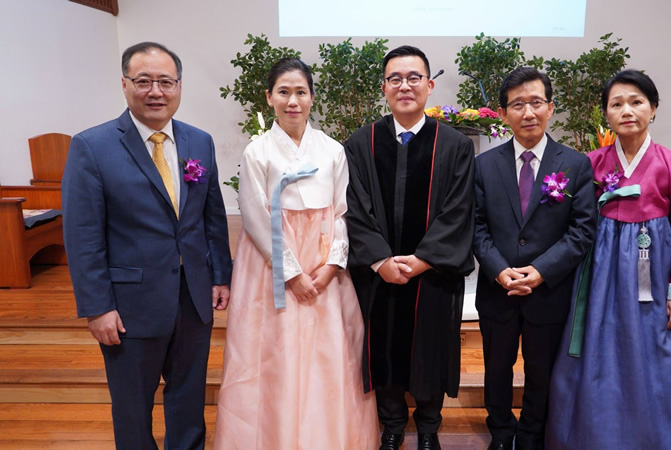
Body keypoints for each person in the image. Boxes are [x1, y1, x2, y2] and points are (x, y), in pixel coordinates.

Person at [546, 69, 671, 449]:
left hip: (655, 271)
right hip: (601, 275)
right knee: (600, 352)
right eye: (616, 104)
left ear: (653, 108)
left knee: (664, 354)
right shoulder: (590, 164)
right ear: (606, 114)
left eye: (636, 102)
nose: (627, 111)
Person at [62, 42, 232, 449]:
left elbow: (212, 217)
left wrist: (220, 276)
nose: (156, 91)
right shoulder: (92, 146)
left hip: (193, 297)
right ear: (125, 85)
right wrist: (97, 307)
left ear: (179, 86)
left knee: (188, 399)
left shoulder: (199, 141)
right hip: (129, 305)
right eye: (144, 81)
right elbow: (83, 235)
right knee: (133, 408)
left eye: (165, 82)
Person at [213, 58, 380, 449]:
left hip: (323, 263)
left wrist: (332, 263)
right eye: (284, 92)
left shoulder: (332, 149)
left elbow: (342, 211)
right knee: (276, 351)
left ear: (312, 97)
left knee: (328, 352)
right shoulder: (257, 151)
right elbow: (254, 215)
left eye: (300, 92)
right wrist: (290, 272)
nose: (293, 101)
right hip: (272, 262)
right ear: (269, 97)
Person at [345, 45, 475, 450]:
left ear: (429, 85)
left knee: (431, 348)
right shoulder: (361, 143)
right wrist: (380, 260)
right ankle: (392, 425)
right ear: (384, 87)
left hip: (432, 274)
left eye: (414, 78)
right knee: (383, 345)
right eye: (395, 79)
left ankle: (429, 428)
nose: (405, 86)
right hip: (379, 276)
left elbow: (459, 210)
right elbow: (353, 207)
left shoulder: (454, 145)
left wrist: (423, 260)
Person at [471, 67, 595, 450]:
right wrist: (498, 270)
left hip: (548, 292)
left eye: (536, 102)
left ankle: (531, 436)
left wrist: (541, 271)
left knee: (542, 372)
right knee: (496, 370)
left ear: (550, 107)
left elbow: (582, 231)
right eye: (518, 104)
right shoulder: (484, 165)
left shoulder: (575, 164)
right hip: (498, 290)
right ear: (503, 113)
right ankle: (501, 433)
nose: (528, 112)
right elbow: (475, 227)